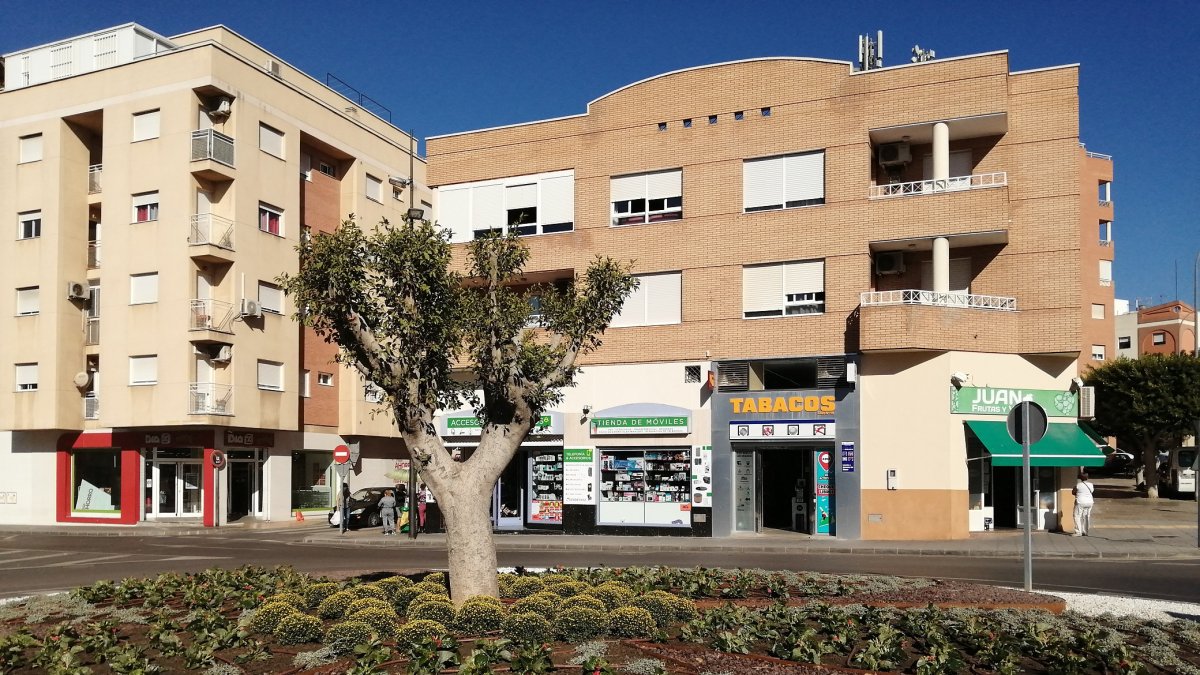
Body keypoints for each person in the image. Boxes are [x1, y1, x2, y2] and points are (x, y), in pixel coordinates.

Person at [1072, 471, 1095, 536]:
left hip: (1080, 502)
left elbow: (1073, 492)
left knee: (1077, 516)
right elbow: (1092, 491)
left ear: (1080, 478)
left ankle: (1078, 532)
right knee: (1086, 516)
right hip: (1090, 502)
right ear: (1087, 477)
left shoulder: (1078, 485)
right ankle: (1085, 531)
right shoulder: (1091, 484)